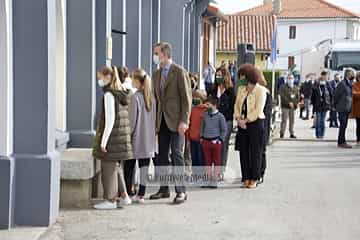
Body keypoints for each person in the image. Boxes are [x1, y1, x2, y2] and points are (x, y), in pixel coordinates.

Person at [150, 42, 192, 204]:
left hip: (177, 122)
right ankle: (163, 189)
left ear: (165, 54)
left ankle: (181, 191)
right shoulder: (156, 75)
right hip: (161, 122)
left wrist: (184, 120)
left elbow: (186, 99)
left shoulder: (179, 72)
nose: (154, 56)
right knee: (161, 157)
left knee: (177, 155)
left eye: (156, 53)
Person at [92, 66, 133, 209]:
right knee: (116, 167)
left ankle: (110, 200)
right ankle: (124, 195)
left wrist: (103, 142)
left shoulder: (109, 95)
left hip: (112, 137)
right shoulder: (121, 92)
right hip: (120, 137)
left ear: (108, 77)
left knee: (108, 168)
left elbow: (110, 120)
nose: (99, 80)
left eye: (100, 77)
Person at [122, 69, 157, 204]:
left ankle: (129, 194)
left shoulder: (135, 98)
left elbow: (132, 121)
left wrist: (127, 135)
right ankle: (141, 195)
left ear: (137, 81)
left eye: (133, 79)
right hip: (148, 139)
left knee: (129, 167)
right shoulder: (151, 98)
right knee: (144, 168)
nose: (131, 81)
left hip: (136, 139)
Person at [234, 64, 267, 189]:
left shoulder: (260, 90)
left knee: (255, 152)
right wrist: (238, 119)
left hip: (255, 124)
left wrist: (246, 120)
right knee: (243, 151)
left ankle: (254, 177)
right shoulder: (241, 89)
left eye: (243, 77)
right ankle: (246, 177)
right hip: (242, 124)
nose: (241, 79)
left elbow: (259, 109)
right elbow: (237, 105)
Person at [212, 67, 235, 174]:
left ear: (225, 76)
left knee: (223, 144)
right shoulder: (213, 90)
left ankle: (221, 170)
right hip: (214, 121)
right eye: (217, 75)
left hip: (226, 121)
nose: (218, 77)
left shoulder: (230, 91)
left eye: (220, 75)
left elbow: (232, 107)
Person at [200, 96, 227, 188]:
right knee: (207, 162)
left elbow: (224, 130)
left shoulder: (220, 117)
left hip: (216, 142)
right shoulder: (205, 115)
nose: (206, 106)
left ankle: (214, 181)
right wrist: (201, 137)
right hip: (206, 141)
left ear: (214, 105)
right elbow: (202, 127)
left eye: (208, 104)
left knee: (216, 161)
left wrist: (220, 140)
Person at [188, 90, 208, 179]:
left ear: (202, 99)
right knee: (194, 157)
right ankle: (195, 174)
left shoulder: (206, 110)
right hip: (192, 138)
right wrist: (188, 137)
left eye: (196, 98)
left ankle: (201, 175)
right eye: (194, 98)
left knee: (201, 158)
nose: (194, 99)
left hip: (201, 139)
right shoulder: (192, 110)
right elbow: (189, 123)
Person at [334, 69, 354, 148]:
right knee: (343, 125)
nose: (353, 75)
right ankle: (341, 142)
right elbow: (336, 95)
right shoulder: (342, 84)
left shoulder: (348, 83)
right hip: (342, 108)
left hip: (346, 108)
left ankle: (342, 141)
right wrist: (335, 105)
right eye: (352, 74)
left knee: (344, 125)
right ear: (348, 74)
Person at [279, 74, 300, 138]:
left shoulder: (296, 87)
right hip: (285, 106)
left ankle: (291, 133)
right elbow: (282, 96)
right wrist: (288, 103)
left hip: (293, 107)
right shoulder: (283, 87)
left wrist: (295, 104)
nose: (290, 80)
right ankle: (282, 133)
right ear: (287, 79)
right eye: (289, 78)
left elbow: (297, 97)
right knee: (284, 120)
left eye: (291, 78)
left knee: (292, 121)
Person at [311, 71, 331, 139]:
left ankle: (322, 134)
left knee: (323, 120)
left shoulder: (328, 83)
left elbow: (331, 93)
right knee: (318, 120)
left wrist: (330, 104)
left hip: (325, 105)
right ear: (321, 76)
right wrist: (313, 104)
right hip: (318, 105)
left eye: (326, 76)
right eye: (324, 76)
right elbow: (313, 95)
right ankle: (318, 134)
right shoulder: (316, 83)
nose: (325, 77)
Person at [350, 72, 360, 145]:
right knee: (359, 125)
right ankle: (358, 140)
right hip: (358, 109)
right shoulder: (354, 84)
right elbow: (354, 94)